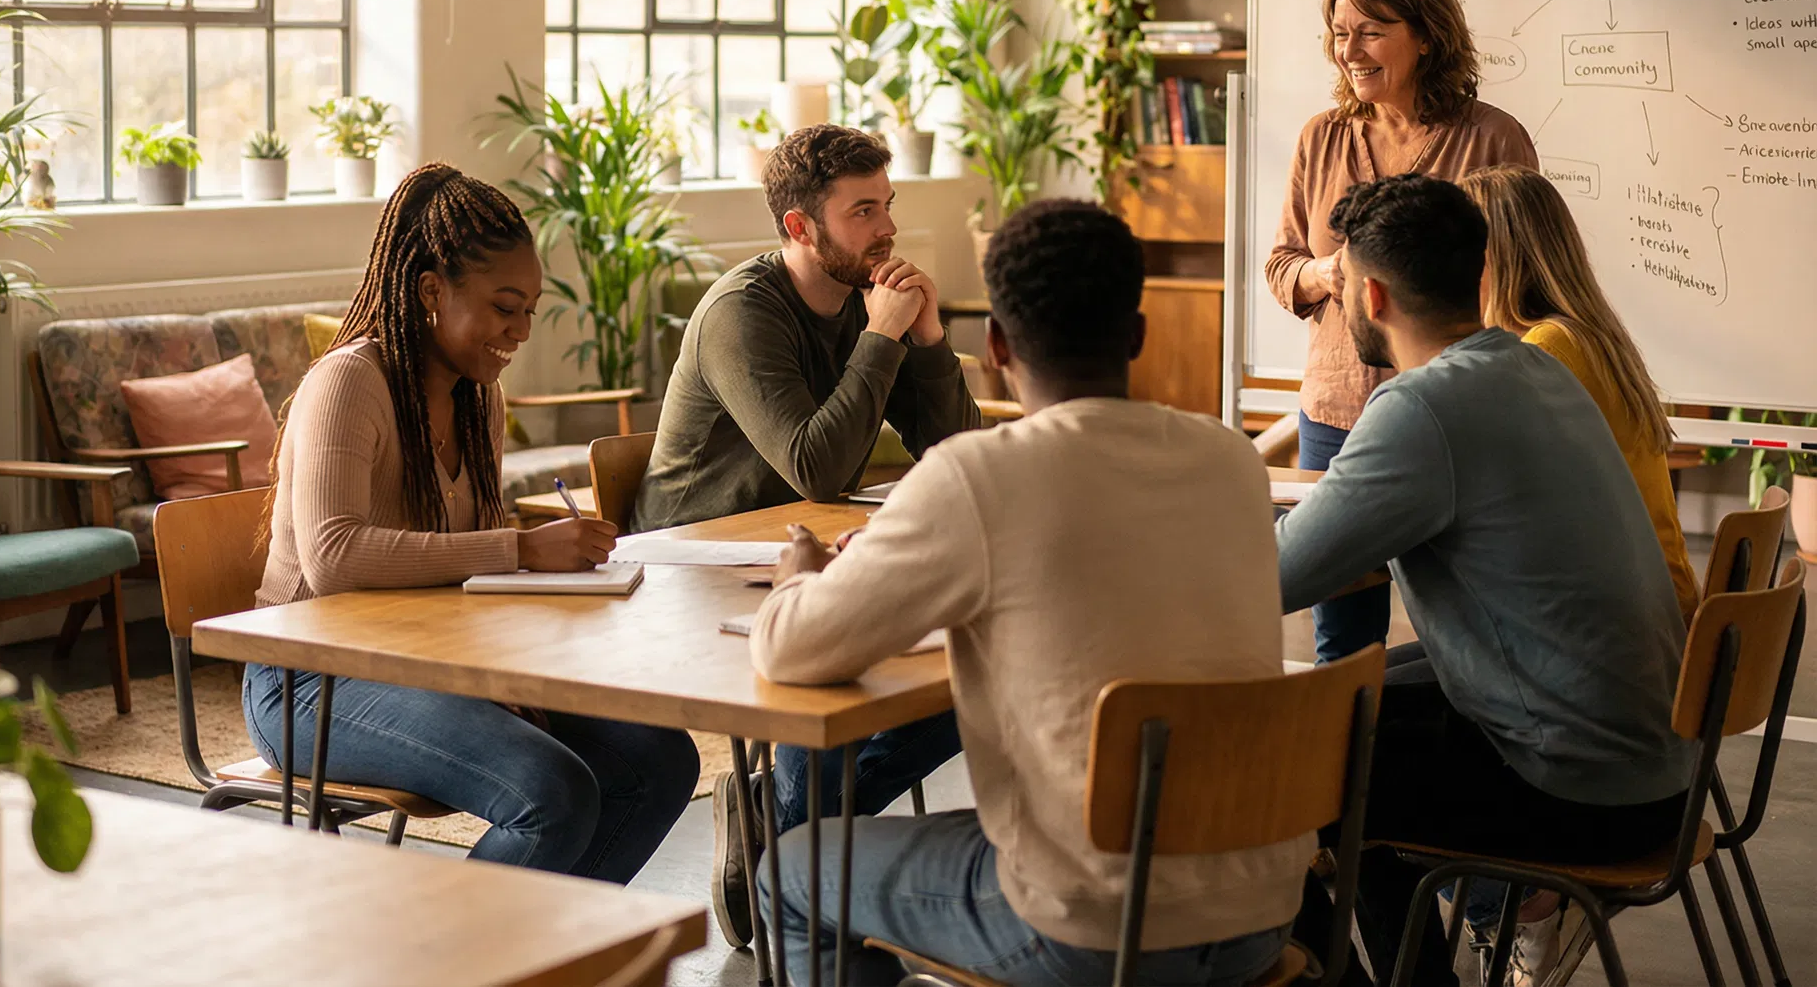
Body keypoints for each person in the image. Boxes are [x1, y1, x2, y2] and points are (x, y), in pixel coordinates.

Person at [750, 199, 1306, 987]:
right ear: (1138, 335)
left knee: (795, 869)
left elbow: (791, 649)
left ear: (999, 347)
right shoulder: (1232, 462)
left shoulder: (978, 477)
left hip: (1090, 925)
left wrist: (801, 572)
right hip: (1259, 909)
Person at [1277, 175, 1690, 987]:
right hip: (1658, 765)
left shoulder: (1425, 407)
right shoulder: (1534, 368)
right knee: (1358, 699)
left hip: (1581, 793)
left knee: (1270, 769)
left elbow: (1273, 577)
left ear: (1368, 292)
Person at [245, 163, 700, 879]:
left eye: (530, 310)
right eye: (503, 307)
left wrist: (511, 666)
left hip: (428, 661)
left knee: (661, 758)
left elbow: (470, 580)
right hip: (309, 680)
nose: (519, 330)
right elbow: (335, 557)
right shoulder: (348, 383)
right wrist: (520, 549)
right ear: (431, 290)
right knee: (551, 792)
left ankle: (537, 956)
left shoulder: (476, 396)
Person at [634, 124, 979, 949]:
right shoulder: (741, 313)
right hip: (695, 562)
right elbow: (815, 466)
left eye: (887, 205)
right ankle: (799, 876)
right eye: (863, 211)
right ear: (800, 227)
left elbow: (960, 454)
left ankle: (782, 840)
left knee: (975, 669)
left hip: (802, 553)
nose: (887, 228)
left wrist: (926, 338)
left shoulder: (872, 302)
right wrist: (883, 337)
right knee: (830, 678)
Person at [1267, 0, 1538, 665]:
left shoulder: (1493, 138)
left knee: (1468, 623)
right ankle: (1348, 767)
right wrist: (1327, 274)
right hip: (1335, 413)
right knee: (1344, 639)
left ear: (1426, 33)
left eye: (1370, 30)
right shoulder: (1319, 137)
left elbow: (1517, 283)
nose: (1348, 50)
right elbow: (1280, 265)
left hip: (1452, 413)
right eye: (1338, 31)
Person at [1462, 163, 1698, 621]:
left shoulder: (1547, 349)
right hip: (1661, 606)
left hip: (1628, 628)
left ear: (1497, 256)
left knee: (1384, 679)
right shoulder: (1585, 334)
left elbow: (1488, 501)